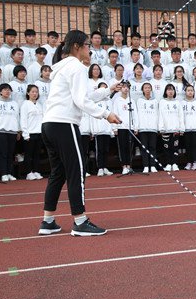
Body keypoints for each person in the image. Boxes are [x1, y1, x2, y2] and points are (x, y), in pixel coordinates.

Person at [40, 30, 121, 236]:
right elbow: (81, 101)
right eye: (87, 45)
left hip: (50, 124)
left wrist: (108, 90)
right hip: (64, 125)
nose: (90, 50)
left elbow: (84, 95)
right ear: (77, 46)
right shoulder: (76, 67)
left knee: (58, 173)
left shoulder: (64, 67)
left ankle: (48, 221)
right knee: (76, 171)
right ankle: (80, 221)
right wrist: (106, 114)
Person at [0, 83, 20, 182]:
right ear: (0, 92)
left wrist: (18, 131)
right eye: (5, 89)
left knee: (11, 153)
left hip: (13, 131)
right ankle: (4, 173)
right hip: (0, 131)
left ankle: (9, 172)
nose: (7, 91)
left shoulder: (14, 103)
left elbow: (17, 118)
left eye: (9, 89)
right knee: (3, 153)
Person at [89, 82, 114, 177]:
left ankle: (105, 167)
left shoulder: (109, 101)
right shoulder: (95, 102)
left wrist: (112, 129)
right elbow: (92, 116)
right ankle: (100, 167)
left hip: (107, 129)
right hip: (98, 129)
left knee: (106, 149)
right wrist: (93, 130)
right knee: (99, 149)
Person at [112, 83, 137, 175]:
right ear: (120, 89)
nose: (126, 89)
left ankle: (129, 165)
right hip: (121, 127)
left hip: (130, 127)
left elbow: (135, 114)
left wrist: (135, 126)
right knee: (122, 147)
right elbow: (115, 113)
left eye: (127, 87)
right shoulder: (117, 100)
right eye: (123, 87)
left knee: (130, 147)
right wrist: (115, 127)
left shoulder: (132, 100)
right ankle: (124, 166)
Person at [21, 84, 44, 180]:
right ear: (28, 93)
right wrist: (25, 133)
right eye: (33, 92)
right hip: (30, 133)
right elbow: (23, 120)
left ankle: (37, 171)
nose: (35, 94)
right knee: (29, 154)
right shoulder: (25, 104)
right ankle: (29, 172)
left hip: (39, 133)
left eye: (36, 92)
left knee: (37, 154)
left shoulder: (39, 105)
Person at [159, 83, 183, 171]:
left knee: (175, 147)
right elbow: (161, 115)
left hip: (176, 129)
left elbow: (180, 115)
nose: (170, 91)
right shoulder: (162, 102)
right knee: (166, 147)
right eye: (168, 89)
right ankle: (168, 163)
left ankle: (175, 163)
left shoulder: (177, 102)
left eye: (172, 89)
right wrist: (161, 127)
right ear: (165, 91)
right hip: (166, 129)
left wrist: (181, 128)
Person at [136, 83, 159, 173]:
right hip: (143, 128)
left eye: (149, 88)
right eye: (145, 88)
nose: (147, 89)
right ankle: (145, 165)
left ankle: (153, 165)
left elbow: (157, 114)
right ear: (143, 90)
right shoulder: (139, 101)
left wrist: (157, 126)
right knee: (144, 147)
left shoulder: (155, 101)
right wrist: (137, 127)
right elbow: (137, 114)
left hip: (153, 128)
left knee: (153, 147)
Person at [181, 84, 196, 170]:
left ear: (194, 92)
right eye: (188, 90)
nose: (190, 92)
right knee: (188, 146)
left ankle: (195, 162)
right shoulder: (182, 103)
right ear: (185, 92)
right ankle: (189, 162)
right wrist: (182, 127)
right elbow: (180, 116)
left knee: (195, 146)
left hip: (195, 129)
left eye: (191, 90)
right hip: (186, 129)